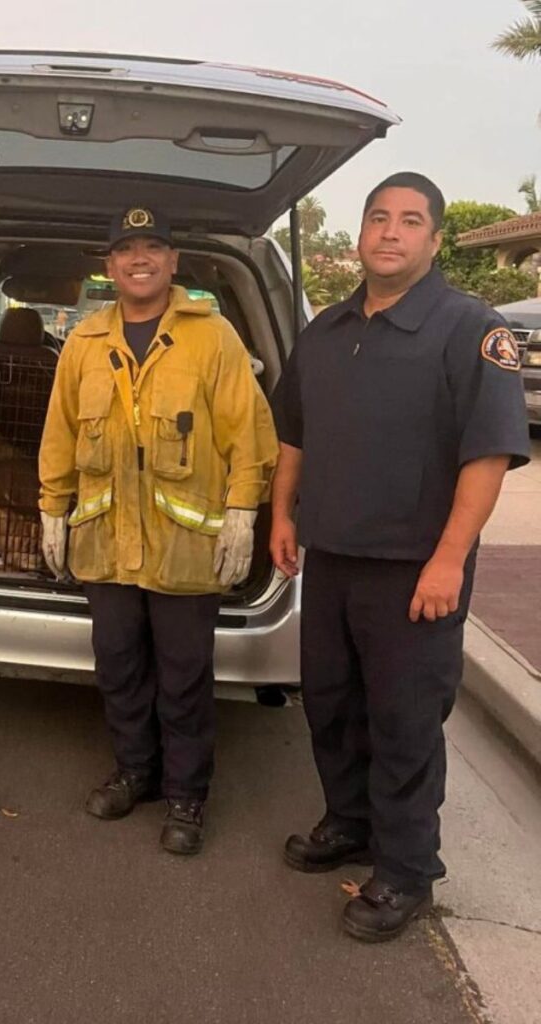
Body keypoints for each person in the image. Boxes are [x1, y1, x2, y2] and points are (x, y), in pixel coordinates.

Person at [270, 172, 530, 941]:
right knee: (331, 703)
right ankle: (348, 823)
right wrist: (282, 513)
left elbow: (487, 456)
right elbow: (295, 433)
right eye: (378, 218)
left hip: (415, 571)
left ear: (435, 239)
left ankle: (408, 872)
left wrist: (450, 560)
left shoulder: (468, 328)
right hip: (333, 561)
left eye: (409, 220)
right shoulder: (325, 329)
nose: (390, 231)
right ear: (360, 236)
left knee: (405, 722)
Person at [38, 207, 278, 855]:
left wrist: (243, 512)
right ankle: (135, 773)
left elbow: (248, 434)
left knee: (183, 676)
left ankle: (187, 796)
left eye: (152, 247)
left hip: (184, 547)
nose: (138, 258)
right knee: (118, 667)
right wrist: (50, 509)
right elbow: (59, 433)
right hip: (105, 542)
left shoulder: (214, 338)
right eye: (125, 250)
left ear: (174, 262)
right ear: (109, 265)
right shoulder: (85, 343)